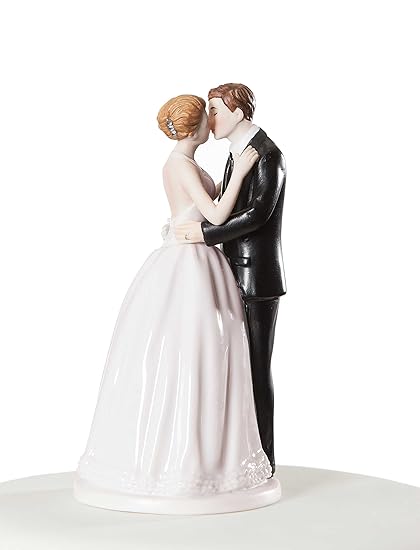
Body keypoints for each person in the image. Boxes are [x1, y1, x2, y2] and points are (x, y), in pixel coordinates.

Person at [74, 94, 280, 514]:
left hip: (204, 259)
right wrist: (240, 174)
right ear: (195, 127)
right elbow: (216, 216)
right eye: (208, 116)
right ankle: (184, 454)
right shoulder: (180, 165)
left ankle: (216, 450)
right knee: (190, 349)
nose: (212, 122)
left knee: (213, 352)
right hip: (189, 262)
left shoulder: (190, 163)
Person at [175, 84, 287, 474]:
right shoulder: (235, 153)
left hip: (257, 279)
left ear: (238, 113)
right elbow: (227, 203)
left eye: (216, 110)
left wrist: (204, 234)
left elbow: (257, 214)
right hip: (231, 271)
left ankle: (264, 460)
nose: (210, 119)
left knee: (255, 368)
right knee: (232, 367)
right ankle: (238, 456)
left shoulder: (268, 155)